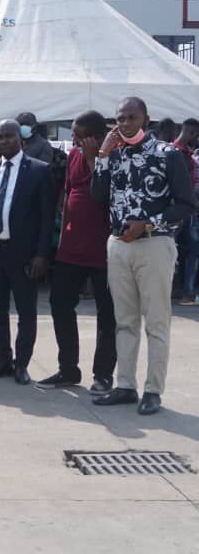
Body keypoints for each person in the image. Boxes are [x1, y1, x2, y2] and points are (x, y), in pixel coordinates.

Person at [92, 97, 196, 415]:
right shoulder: (114, 155)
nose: (124, 123)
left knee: (156, 322)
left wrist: (149, 223)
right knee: (124, 321)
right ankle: (125, 385)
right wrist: (103, 154)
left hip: (154, 243)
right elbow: (98, 197)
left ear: (145, 120)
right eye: (120, 118)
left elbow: (186, 204)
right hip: (119, 245)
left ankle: (153, 390)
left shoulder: (168, 155)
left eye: (130, 117)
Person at [0, 120, 53, 386]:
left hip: (24, 256)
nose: (3, 141)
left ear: (20, 139)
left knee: (26, 313)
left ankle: (22, 364)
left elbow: (47, 218)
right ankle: (2, 360)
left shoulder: (39, 171)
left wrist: (41, 254)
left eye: (8, 136)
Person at [37, 111, 116, 391]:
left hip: (105, 249)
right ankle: (68, 369)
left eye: (78, 134)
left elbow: (103, 192)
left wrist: (96, 157)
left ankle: (103, 375)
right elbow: (69, 192)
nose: (73, 139)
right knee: (59, 304)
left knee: (107, 314)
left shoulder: (113, 157)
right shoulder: (72, 156)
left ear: (94, 137)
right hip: (71, 246)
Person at [173, 119, 199, 305]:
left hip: (183, 208)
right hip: (181, 209)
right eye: (195, 134)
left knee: (180, 251)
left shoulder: (180, 152)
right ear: (190, 133)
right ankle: (187, 292)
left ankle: (182, 291)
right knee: (191, 250)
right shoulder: (176, 153)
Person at [16, 112, 66, 193]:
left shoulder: (43, 145)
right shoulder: (16, 144)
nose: (22, 127)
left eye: (26, 124)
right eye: (20, 125)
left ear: (34, 126)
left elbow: (43, 171)